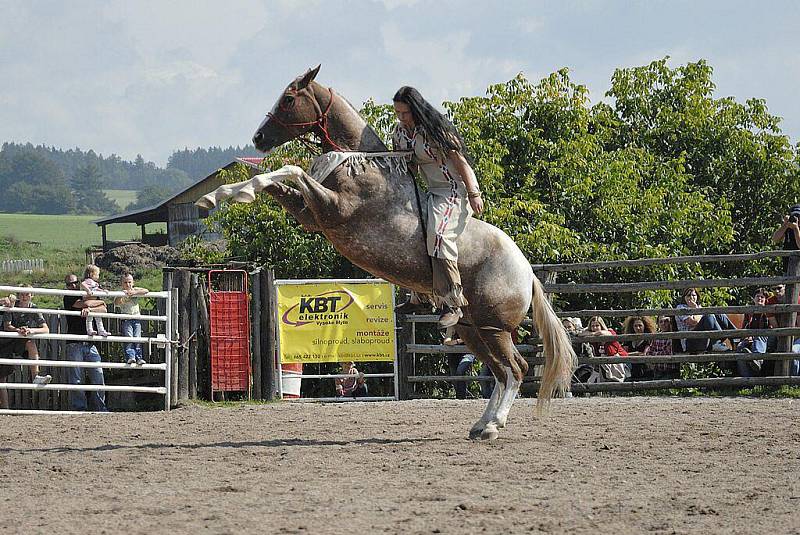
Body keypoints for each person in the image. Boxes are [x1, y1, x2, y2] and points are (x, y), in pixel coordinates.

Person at [391, 86, 484, 329]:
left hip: (454, 191)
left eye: (405, 113)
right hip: (430, 191)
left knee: (439, 236)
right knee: (411, 235)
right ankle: (419, 296)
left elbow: (461, 163)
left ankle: (453, 302)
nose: (402, 118)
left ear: (416, 109)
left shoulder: (436, 130)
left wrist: (474, 193)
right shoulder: (399, 134)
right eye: (398, 113)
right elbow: (407, 168)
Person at [64, 274, 108, 412]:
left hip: (90, 342)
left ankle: (100, 407)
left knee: (98, 375)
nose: (72, 286)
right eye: (69, 284)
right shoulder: (68, 296)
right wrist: (93, 305)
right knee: (77, 378)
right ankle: (79, 408)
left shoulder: (91, 294)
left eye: (75, 283)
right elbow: (87, 304)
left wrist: (90, 308)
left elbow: (105, 308)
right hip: (75, 342)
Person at [2, 287, 52, 386]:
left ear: (32, 295)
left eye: (27, 294)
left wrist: (31, 330)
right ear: (18, 295)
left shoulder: (34, 308)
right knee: (2, 379)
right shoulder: (12, 305)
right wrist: (18, 330)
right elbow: (7, 326)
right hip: (5, 342)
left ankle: (36, 377)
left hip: (20, 340)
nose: (24, 297)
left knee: (31, 343)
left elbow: (46, 329)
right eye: (22, 294)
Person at [675, 287, 737, 353]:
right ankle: (716, 342)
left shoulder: (699, 307)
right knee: (709, 315)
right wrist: (696, 309)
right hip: (690, 343)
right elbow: (693, 322)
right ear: (684, 297)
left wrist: (697, 309)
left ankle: (736, 337)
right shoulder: (681, 307)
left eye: (693, 295)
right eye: (688, 295)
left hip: (706, 339)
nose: (691, 297)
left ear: (697, 297)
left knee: (720, 315)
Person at [578, 316, 628, 382]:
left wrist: (592, 333)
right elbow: (580, 334)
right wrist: (592, 333)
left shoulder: (610, 331)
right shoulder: (592, 338)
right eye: (592, 326)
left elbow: (603, 333)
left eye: (597, 325)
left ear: (601, 325)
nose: (595, 328)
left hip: (619, 362)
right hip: (603, 364)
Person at [114, 273, 149, 366]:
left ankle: (139, 357)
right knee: (129, 338)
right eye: (125, 282)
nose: (128, 284)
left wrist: (135, 292)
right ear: (122, 284)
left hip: (136, 318)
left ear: (133, 282)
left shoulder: (135, 289)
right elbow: (116, 303)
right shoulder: (121, 293)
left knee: (137, 339)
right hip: (126, 319)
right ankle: (131, 357)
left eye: (129, 282)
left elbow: (146, 290)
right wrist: (122, 295)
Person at [736, 288, 771, 377]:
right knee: (740, 347)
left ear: (765, 299)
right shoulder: (749, 312)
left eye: (762, 297)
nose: (759, 298)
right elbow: (744, 328)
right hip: (751, 338)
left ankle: (757, 359)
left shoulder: (768, 311)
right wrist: (747, 337)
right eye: (757, 296)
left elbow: (770, 328)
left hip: (765, 338)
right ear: (754, 298)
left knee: (759, 337)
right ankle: (747, 378)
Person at [621, 315, 656, 380]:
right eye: (635, 326)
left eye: (640, 325)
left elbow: (644, 354)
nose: (638, 328)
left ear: (644, 326)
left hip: (645, 373)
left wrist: (629, 354)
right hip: (631, 373)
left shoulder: (648, 340)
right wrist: (636, 353)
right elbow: (622, 354)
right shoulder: (628, 341)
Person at [81, 264, 110, 336]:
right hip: (89, 301)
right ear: (91, 274)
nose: (98, 276)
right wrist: (88, 290)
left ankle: (101, 330)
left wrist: (103, 291)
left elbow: (97, 289)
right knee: (89, 318)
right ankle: (90, 330)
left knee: (98, 317)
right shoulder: (88, 281)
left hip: (94, 303)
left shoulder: (95, 283)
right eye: (97, 274)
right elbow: (82, 284)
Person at [771, 204, 800, 271]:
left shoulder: (795, 228)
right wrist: (785, 224)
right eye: (795, 215)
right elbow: (775, 239)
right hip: (787, 265)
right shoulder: (788, 226)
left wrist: (796, 229)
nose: (797, 218)